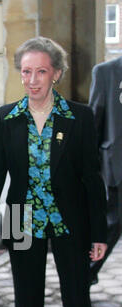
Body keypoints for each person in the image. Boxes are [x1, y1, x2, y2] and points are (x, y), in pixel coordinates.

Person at [0, 37, 112, 307]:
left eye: (41, 71)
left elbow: (92, 178)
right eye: (26, 71)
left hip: (70, 225)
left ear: (56, 73)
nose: (33, 80)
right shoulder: (7, 117)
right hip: (23, 225)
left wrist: (100, 234)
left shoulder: (80, 117)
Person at [88, 56, 122, 285]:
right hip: (118, 164)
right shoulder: (106, 72)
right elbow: (94, 121)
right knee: (114, 222)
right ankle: (86, 271)